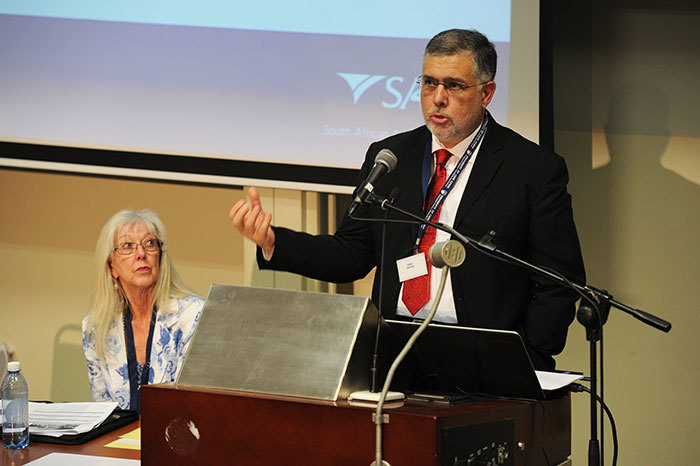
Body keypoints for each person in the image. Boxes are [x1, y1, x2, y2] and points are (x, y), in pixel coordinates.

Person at [229, 29, 585, 370]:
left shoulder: (532, 170)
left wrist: (526, 355)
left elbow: (558, 282)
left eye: (454, 85)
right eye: (429, 83)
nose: (438, 97)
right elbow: (351, 254)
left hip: (485, 354)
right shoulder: (391, 157)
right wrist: (275, 242)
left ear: (486, 92)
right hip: (394, 345)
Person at [82, 209, 203, 411]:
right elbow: (103, 412)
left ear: (160, 257)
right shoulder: (96, 328)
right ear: (111, 266)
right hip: (118, 441)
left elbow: (193, 407)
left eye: (149, 244)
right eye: (128, 246)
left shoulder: (193, 317)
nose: (141, 254)